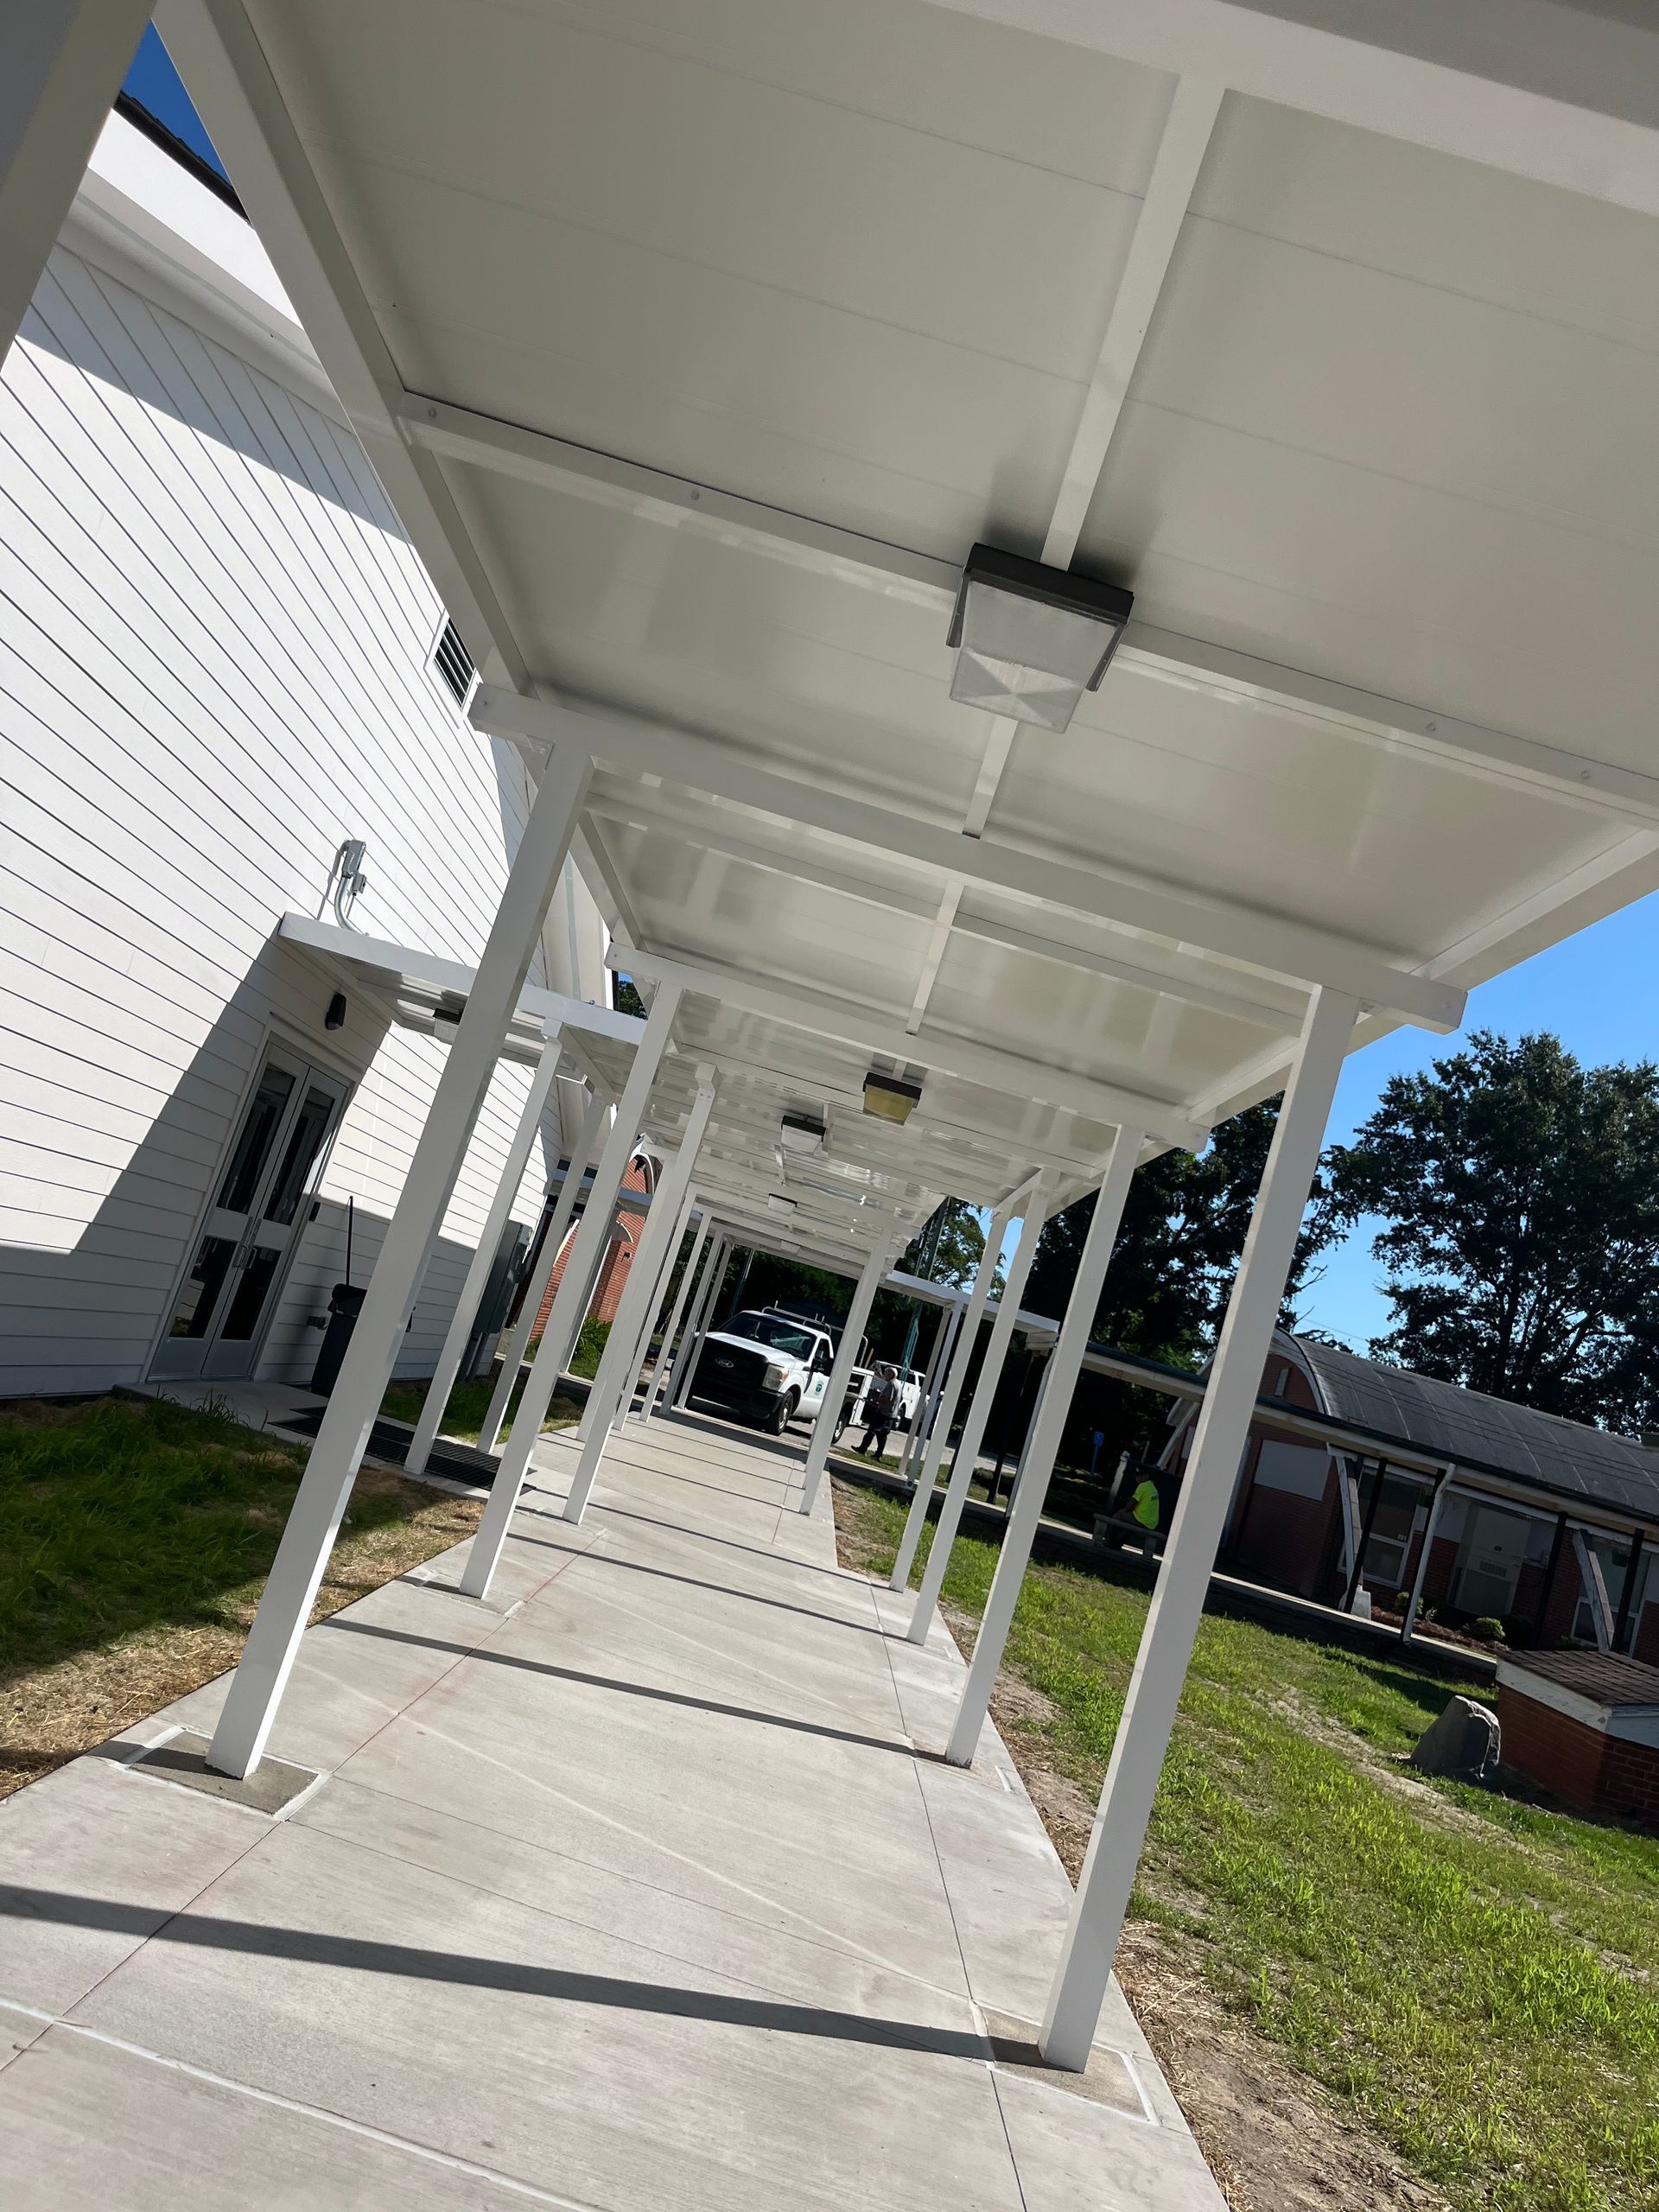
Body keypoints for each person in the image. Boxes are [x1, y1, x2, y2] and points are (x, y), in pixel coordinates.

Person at [859, 1363, 900, 1459]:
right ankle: (878, 1454)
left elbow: (887, 1398)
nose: (884, 1375)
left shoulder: (891, 1384)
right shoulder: (898, 1383)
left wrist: (875, 1401)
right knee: (883, 1435)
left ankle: (863, 1448)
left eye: (886, 1373)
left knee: (872, 1430)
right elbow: (899, 1398)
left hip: (884, 1413)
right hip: (892, 1414)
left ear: (890, 1374)